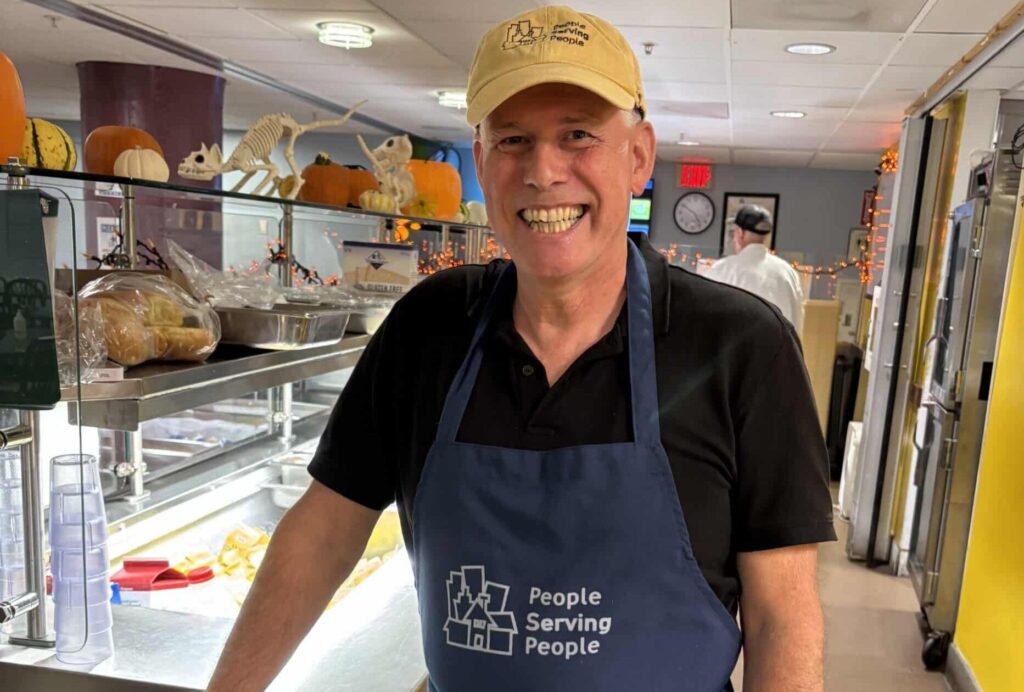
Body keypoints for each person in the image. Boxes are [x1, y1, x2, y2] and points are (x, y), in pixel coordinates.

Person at [207, 6, 835, 691]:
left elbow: (781, 616)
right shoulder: (429, 327)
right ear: (481, 161)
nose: (543, 171)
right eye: (512, 140)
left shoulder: (741, 345)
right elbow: (324, 532)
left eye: (578, 134)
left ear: (638, 156)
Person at [705, 205, 806, 334]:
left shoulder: (721, 270)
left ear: (740, 233)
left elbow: (706, 316)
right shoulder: (788, 272)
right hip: (779, 345)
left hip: (736, 345)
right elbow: (797, 319)